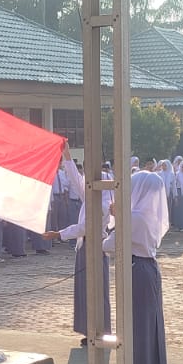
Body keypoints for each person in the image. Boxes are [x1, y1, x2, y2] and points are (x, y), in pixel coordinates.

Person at [105, 170, 168, 364]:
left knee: (137, 323)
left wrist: (116, 219)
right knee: (146, 321)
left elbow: (109, 244)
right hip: (147, 269)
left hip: (136, 269)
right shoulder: (147, 214)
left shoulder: (135, 216)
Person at [45, 146, 110, 348]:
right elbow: (76, 180)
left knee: (97, 291)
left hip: (96, 248)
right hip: (84, 248)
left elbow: (85, 227)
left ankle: (101, 330)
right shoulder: (91, 192)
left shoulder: (105, 201)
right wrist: (68, 158)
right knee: (84, 290)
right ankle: (88, 331)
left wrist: (59, 234)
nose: (85, 175)